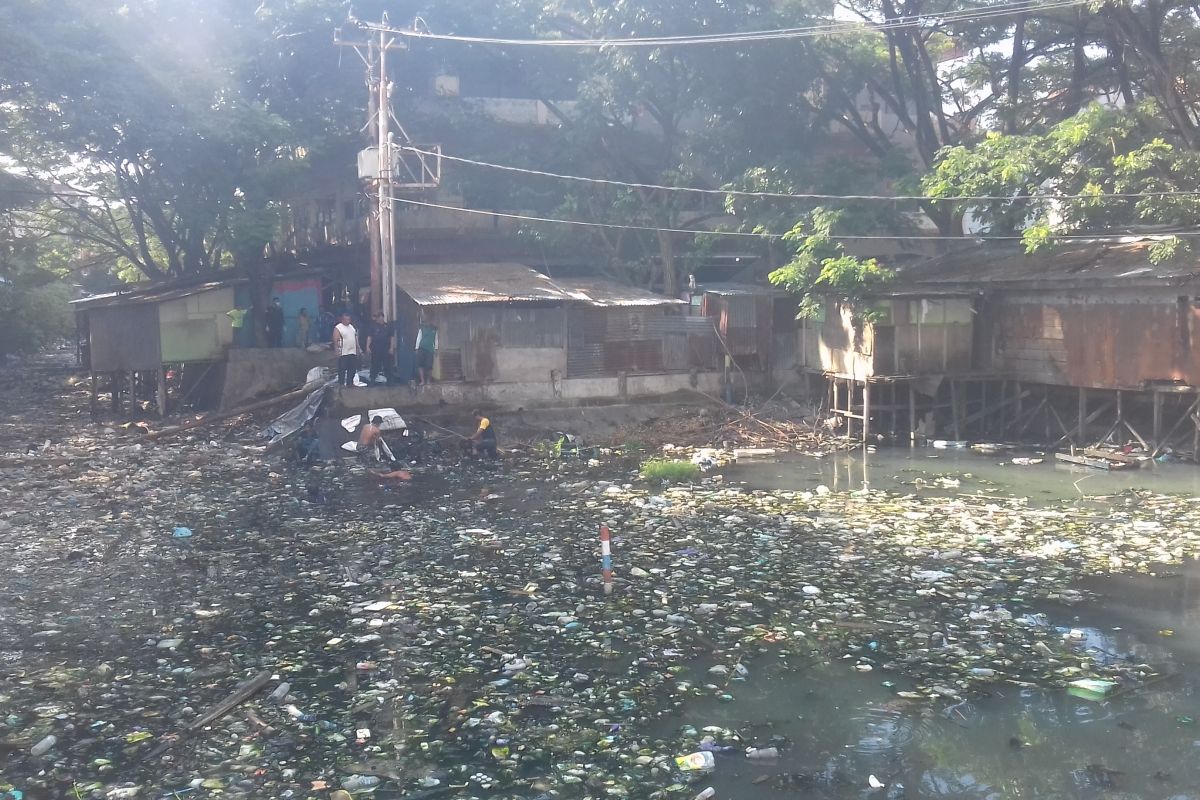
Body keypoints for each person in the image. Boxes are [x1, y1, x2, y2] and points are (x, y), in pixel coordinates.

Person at [366, 311, 395, 385]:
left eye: (381, 317)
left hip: (386, 349)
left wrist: (391, 348)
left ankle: (390, 381)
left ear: (383, 318)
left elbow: (392, 337)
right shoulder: (372, 326)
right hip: (376, 349)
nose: (380, 319)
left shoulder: (388, 326)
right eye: (378, 318)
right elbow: (369, 337)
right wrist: (368, 347)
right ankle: (372, 380)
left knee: (388, 365)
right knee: (375, 365)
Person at [333, 312, 360, 387]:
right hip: (343, 351)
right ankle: (341, 383)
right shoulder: (338, 327)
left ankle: (350, 383)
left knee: (352, 368)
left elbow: (355, 337)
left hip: (352, 351)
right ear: (342, 319)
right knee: (342, 368)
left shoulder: (351, 327)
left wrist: (358, 347)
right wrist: (336, 350)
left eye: (349, 319)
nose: (348, 321)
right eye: (346, 319)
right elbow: (335, 339)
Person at [415, 320, 438, 386]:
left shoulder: (434, 330)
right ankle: (422, 381)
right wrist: (416, 348)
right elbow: (418, 338)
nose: (428, 323)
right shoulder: (422, 329)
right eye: (426, 322)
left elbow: (436, 340)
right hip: (421, 349)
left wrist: (436, 349)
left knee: (429, 366)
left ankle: (428, 381)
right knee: (420, 365)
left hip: (430, 349)